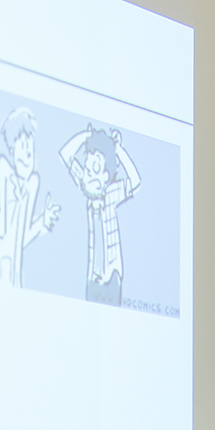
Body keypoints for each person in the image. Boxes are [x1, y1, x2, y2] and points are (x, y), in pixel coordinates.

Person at [59, 124, 142, 306]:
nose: (89, 174)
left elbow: (135, 182)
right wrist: (87, 136)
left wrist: (118, 150)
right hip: (92, 278)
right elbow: (65, 154)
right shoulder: (85, 183)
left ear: (106, 176)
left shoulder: (112, 194)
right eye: (87, 169)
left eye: (95, 169)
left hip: (111, 277)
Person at [0, 107, 59, 286]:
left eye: (30, 151)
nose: (27, 155)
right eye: (22, 146)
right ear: (12, 150)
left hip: (14, 276)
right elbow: (2, 229)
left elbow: (22, 238)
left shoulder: (31, 185)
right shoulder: (5, 176)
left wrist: (42, 221)